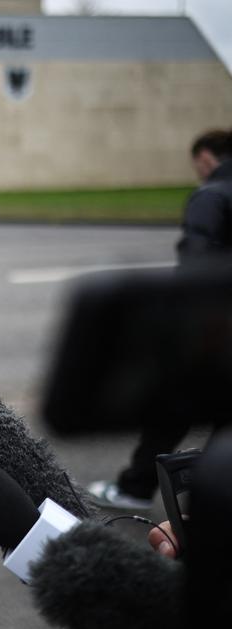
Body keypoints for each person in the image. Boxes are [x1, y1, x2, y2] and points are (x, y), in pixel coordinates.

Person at [88, 128, 232, 510]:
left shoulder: (211, 196)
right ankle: (212, 497)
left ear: (205, 157)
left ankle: (135, 488)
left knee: (173, 406)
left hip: (215, 328)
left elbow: (196, 265)